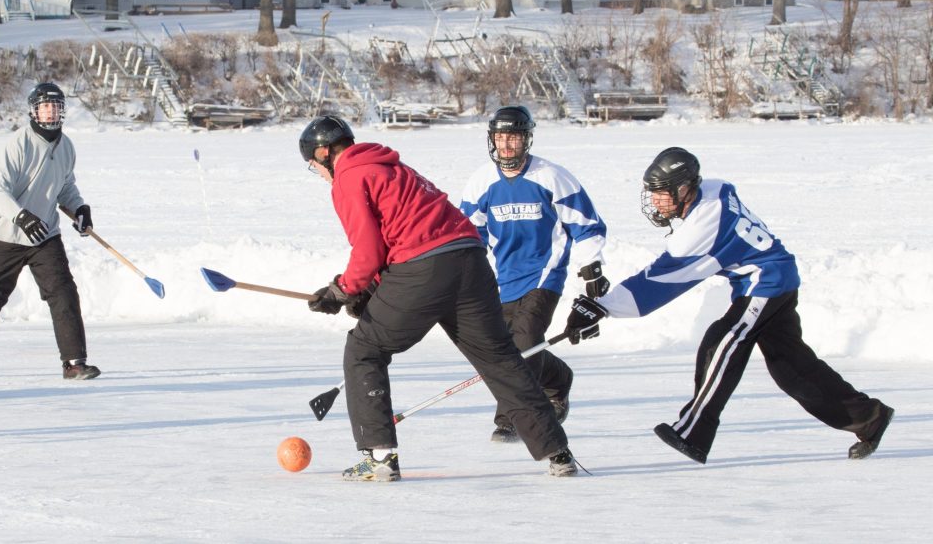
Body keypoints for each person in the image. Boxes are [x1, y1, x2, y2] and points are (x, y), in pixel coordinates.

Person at [564, 147, 894, 463]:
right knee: (792, 372)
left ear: (684, 189)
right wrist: (603, 307)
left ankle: (693, 430)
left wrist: (603, 307)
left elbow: (659, 283)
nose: (655, 201)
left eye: (662, 193)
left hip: (766, 283)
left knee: (722, 342)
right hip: (773, 277)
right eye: (651, 193)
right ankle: (869, 418)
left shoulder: (701, 228)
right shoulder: (713, 188)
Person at [299, 115, 576, 481]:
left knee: (364, 349)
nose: (318, 174)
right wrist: (370, 290)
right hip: (470, 262)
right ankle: (557, 452)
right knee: (499, 358)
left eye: (313, 166)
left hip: (424, 269)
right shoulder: (392, 166)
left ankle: (380, 457)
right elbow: (399, 235)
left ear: (323, 153)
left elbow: (368, 250)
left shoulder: (349, 177)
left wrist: (342, 290)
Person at [459, 105, 608, 443]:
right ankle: (558, 379)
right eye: (500, 137)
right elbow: (468, 233)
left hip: (546, 275)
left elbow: (586, 226)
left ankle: (512, 416)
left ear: (526, 139)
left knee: (524, 341)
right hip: (505, 279)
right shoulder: (482, 181)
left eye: (513, 137)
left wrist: (592, 268)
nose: (506, 145)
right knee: (504, 347)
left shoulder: (551, 176)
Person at [0, 83, 100, 381]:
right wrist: (21, 216)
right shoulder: (19, 144)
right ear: (34, 110)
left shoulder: (66, 146)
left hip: (44, 235)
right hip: (7, 235)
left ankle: (74, 363)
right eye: (45, 106)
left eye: (56, 106)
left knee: (64, 293)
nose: (51, 111)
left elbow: (66, 187)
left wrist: (80, 208)